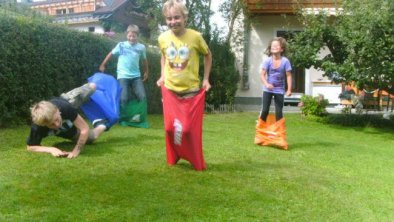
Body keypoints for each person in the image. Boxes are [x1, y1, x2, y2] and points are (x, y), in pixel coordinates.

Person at [156, 0, 212, 170]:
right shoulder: (162, 38)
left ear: (185, 17)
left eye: (176, 17)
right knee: (169, 129)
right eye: (169, 18)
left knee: (187, 129)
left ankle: (193, 157)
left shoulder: (195, 36)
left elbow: (208, 55)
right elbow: (164, 56)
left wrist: (206, 79)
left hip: (191, 91)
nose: (173, 22)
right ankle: (175, 156)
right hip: (170, 91)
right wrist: (163, 75)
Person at [26, 83, 109, 158]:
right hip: (65, 127)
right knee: (90, 138)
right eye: (52, 125)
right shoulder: (38, 126)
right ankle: (102, 123)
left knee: (93, 87)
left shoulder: (64, 107)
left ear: (57, 110)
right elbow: (31, 146)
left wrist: (76, 151)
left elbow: (84, 128)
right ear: (43, 125)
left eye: (57, 119)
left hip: (68, 101)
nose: (57, 124)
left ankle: (87, 92)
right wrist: (51, 149)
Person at [99, 24, 149, 107]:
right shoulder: (121, 45)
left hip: (136, 76)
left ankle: (140, 116)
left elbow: (144, 60)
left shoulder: (141, 47)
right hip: (123, 75)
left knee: (142, 97)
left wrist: (146, 72)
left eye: (134, 36)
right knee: (123, 98)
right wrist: (102, 65)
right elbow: (110, 54)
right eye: (130, 36)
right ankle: (123, 117)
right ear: (127, 35)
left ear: (137, 36)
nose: (132, 38)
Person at [259, 37, 292, 122]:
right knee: (265, 110)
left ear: (282, 49)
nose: (274, 47)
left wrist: (289, 90)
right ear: (270, 49)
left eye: (276, 46)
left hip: (279, 89)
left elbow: (288, 76)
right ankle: (260, 130)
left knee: (279, 112)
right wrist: (266, 84)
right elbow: (262, 74)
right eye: (272, 46)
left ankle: (278, 133)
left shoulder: (285, 61)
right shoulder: (268, 61)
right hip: (267, 89)